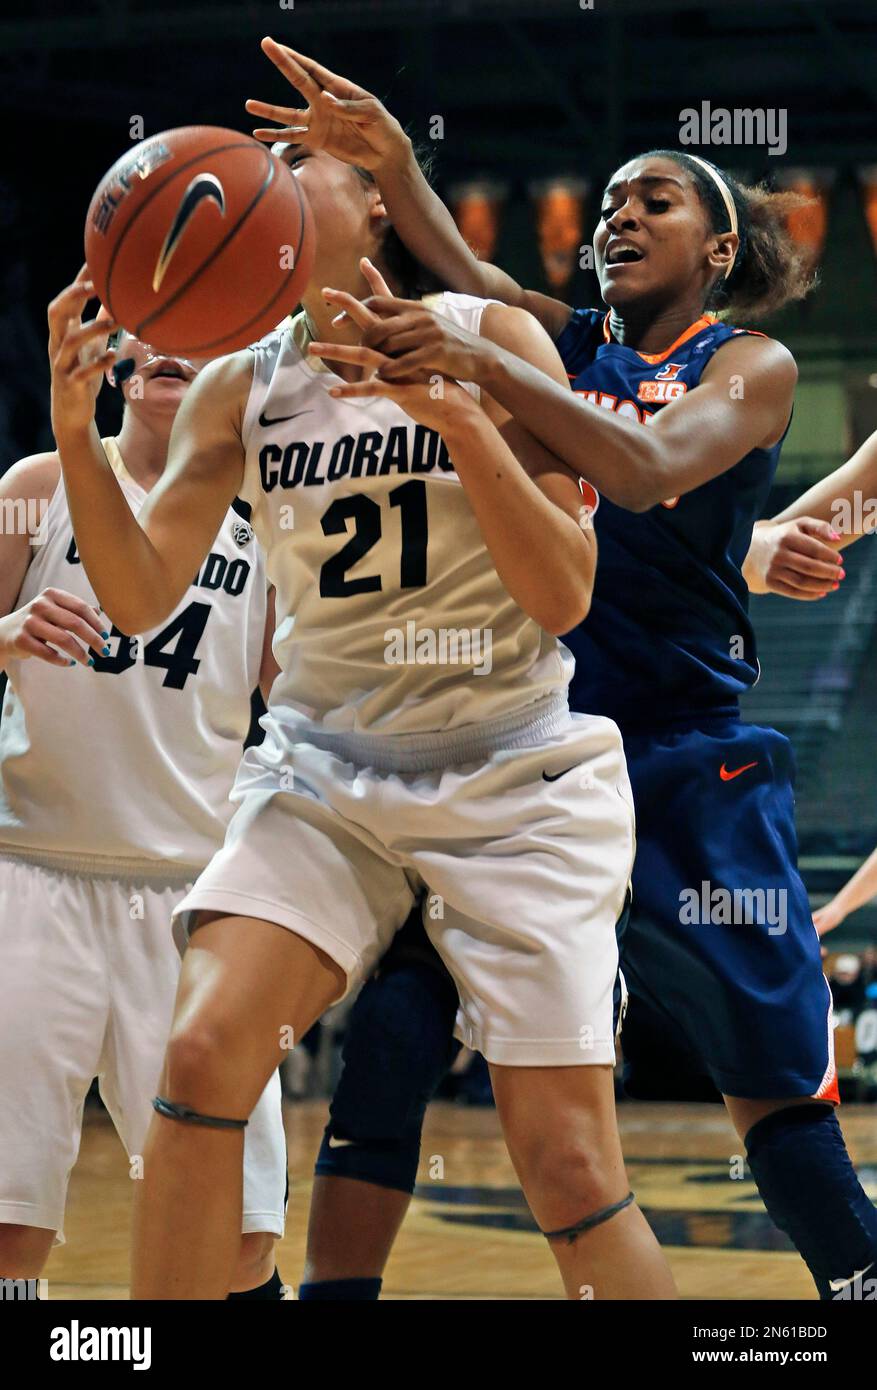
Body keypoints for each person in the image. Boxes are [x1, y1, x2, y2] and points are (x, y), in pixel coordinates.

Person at [249, 40, 877, 1302]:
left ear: (717, 250)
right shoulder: (566, 344)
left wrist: (481, 367)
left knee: (766, 1083)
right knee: (391, 1041)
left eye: (655, 198)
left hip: (686, 761)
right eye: (605, 205)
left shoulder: (739, 365)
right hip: (520, 760)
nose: (617, 216)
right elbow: (473, 280)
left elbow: (641, 474)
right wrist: (390, 161)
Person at [52, 124, 676, 1300]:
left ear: (376, 208)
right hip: (327, 771)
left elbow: (565, 593)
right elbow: (137, 597)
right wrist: (76, 432)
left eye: (295, 161)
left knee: (569, 1166)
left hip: (515, 773)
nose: (261, 174)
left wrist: (454, 414)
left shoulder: (497, 336)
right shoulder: (240, 386)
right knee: (198, 1056)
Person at [0, 309, 288, 1298]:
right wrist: (8, 629)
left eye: (201, 327)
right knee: (6, 1227)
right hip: (30, 880)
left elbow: (299, 704)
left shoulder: (268, 520)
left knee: (241, 1236)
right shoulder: (35, 492)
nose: (171, 346)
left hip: (193, 905)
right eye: (147, 330)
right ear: (116, 361)